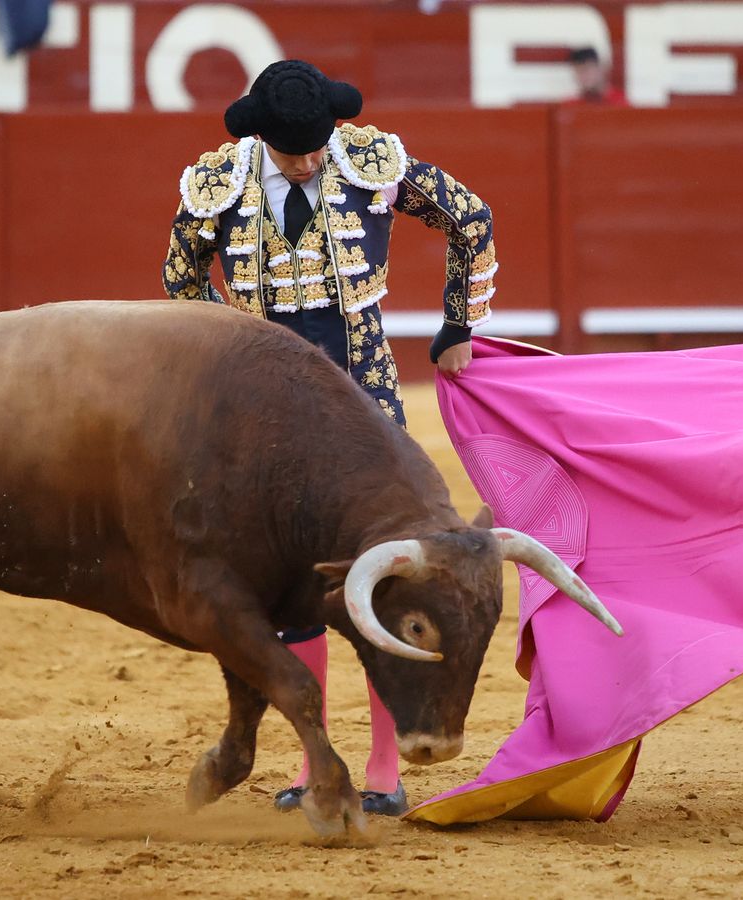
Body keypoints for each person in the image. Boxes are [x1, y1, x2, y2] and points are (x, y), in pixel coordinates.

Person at [161, 59, 496, 817]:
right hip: (262, 410)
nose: (313, 161)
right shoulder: (219, 182)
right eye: (296, 153)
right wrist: (223, 351)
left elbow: (469, 216)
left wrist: (456, 326)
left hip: (365, 397)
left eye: (318, 146)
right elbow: (180, 281)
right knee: (291, 580)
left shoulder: (367, 160)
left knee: (388, 577)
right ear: (264, 141)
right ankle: (315, 762)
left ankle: (383, 768)